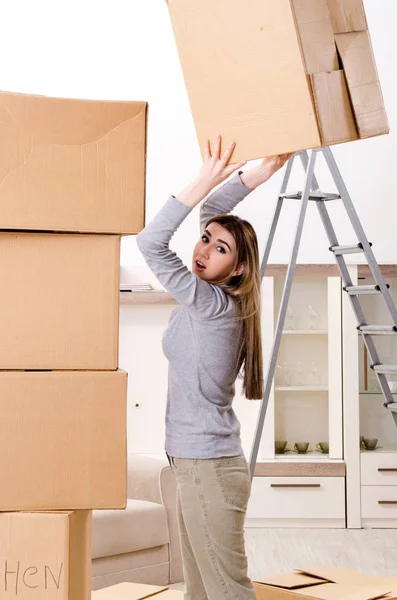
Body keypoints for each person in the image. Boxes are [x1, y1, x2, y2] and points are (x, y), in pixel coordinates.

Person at [136, 136, 291, 600]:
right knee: (200, 593)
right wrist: (253, 176)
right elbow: (218, 213)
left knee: (226, 592)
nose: (203, 249)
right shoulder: (218, 297)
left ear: (238, 269)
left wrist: (204, 178)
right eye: (205, 239)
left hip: (208, 467)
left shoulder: (210, 305)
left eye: (219, 248)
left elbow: (151, 242)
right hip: (197, 465)